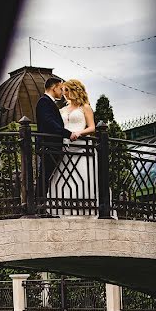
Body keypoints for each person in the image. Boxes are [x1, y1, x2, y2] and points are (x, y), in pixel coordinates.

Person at [47, 79, 96, 215]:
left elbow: (92, 127)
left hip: (80, 146)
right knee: (63, 176)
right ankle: (63, 209)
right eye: (63, 90)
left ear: (75, 90)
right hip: (64, 147)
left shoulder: (85, 107)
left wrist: (80, 132)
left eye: (67, 90)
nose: (64, 93)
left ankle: (83, 209)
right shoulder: (62, 109)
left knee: (81, 175)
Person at [35, 77, 78, 198]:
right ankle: (40, 206)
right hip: (48, 145)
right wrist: (68, 133)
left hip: (50, 145)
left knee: (45, 176)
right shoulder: (44, 101)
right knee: (44, 177)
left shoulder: (47, 102)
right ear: (54, 88)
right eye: (60, 88)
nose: (62, 92)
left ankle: (41, 206)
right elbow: (50, 123)